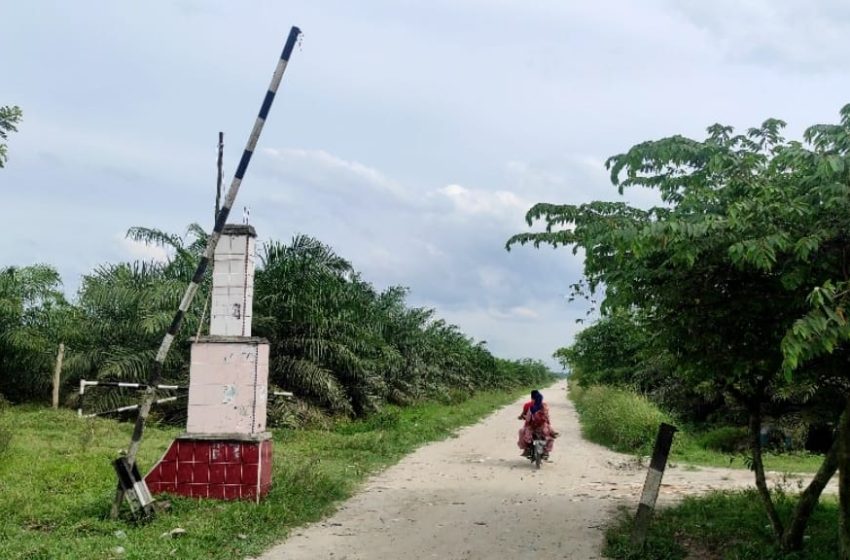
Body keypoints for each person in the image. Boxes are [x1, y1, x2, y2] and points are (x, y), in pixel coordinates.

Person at [517, 390, 557, 459]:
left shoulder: (528, 405)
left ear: (532, 397)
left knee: (521, 432)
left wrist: (521, 417)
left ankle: (526, 449)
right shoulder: (544, 405)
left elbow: (526, 417)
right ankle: (546, 451)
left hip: (531, 427)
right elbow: (547, 417)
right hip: (543, 427)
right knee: (550, 436)